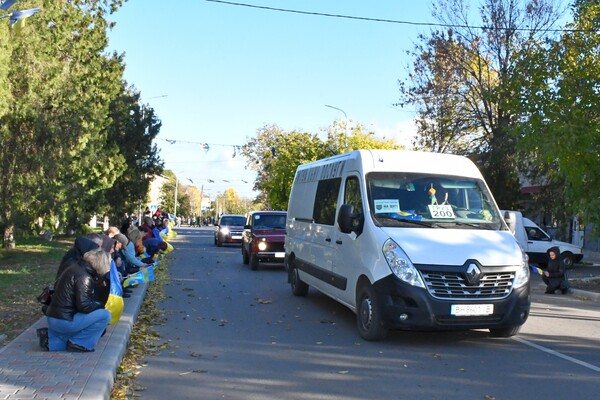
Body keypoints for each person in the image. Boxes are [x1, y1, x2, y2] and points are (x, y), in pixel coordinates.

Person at [38, 248, 112, 352]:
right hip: (63, 320)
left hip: (56, 317)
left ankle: (51, 340)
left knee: (61, 346)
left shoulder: (76, 268)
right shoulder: (84, 277)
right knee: (105, 315)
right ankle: (79, 344)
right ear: (101, 263)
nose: (109, 266)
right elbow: (84, 306)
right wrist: (100, 306)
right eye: (108, 263)